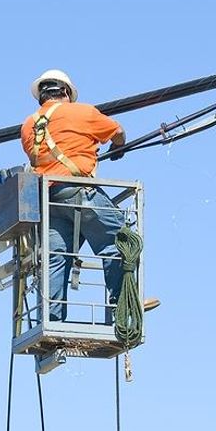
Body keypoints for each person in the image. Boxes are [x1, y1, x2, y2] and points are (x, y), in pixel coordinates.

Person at [20, 69, 127, 322]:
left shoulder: (27, 126)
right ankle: (124, 307)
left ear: (41, 97)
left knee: (57, 258)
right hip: (78, 190)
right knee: (121, 242)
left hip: (50, 200)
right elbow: (118, 131)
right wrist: (118, 147)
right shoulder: (82, 112)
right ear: (66, 92)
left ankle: (52, 319)